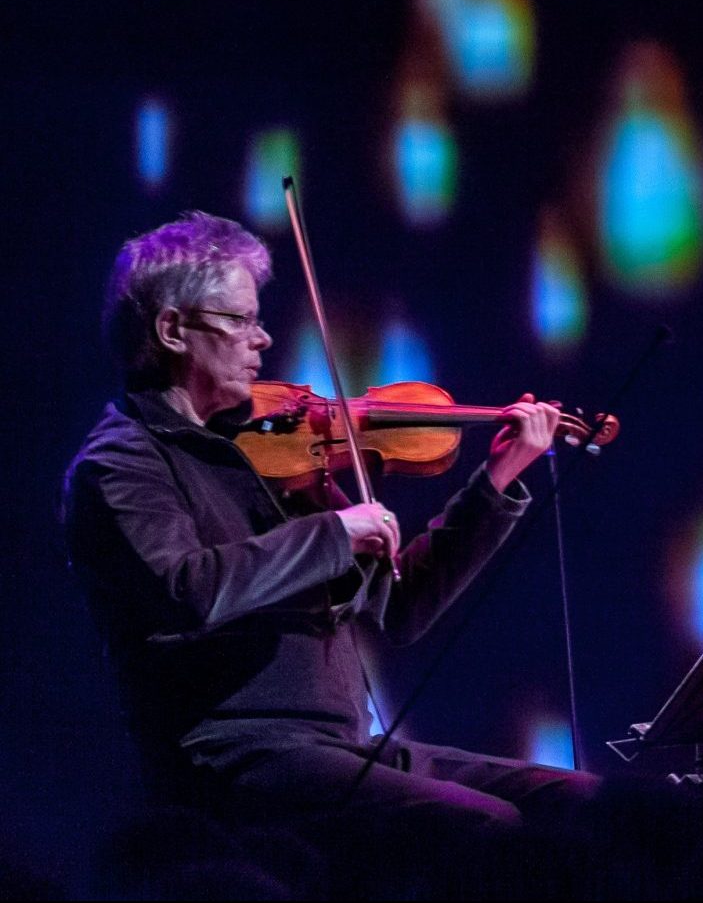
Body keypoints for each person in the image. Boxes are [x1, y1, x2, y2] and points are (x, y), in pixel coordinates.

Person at [62, 211, 591, 832]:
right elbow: (187, 588)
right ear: (173, 329)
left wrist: (495, 483)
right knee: (487, 827)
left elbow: (402, 607)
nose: (261, 339)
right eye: (241, 320)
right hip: (237, 754)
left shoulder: (272, 453)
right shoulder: (121, 462)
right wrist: (335, 534)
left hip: (349, 749)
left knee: (580, 804)